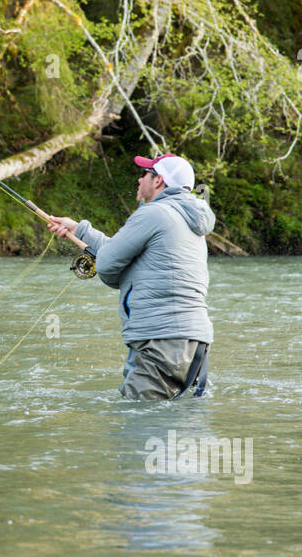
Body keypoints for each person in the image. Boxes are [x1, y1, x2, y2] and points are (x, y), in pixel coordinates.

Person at [47, 154, 216, 399]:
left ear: (158, 181)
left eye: (145, 173)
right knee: (173, 429)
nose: (139, 179)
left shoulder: (153, 213)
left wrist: (113, 273)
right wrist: (80, 230)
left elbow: (106, 265)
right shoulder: (187, 220)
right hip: (194, 343)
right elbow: (126, 253)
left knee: (139, 427)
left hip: (160, 341)